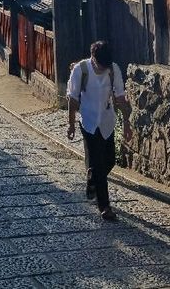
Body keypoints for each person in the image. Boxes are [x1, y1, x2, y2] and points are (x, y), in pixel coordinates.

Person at [67, 40, 133, 222]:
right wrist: (71, 124)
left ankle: (92, 178)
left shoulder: (113, 70)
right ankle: (105, 207)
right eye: (102, 65)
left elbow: (120, 98)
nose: (104, 69)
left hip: (106, 121)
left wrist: (127, 123)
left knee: (109, 159)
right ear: (93, 59)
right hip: (88, 121)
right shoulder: (81, 70)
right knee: (97, 161)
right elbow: (72, 99)